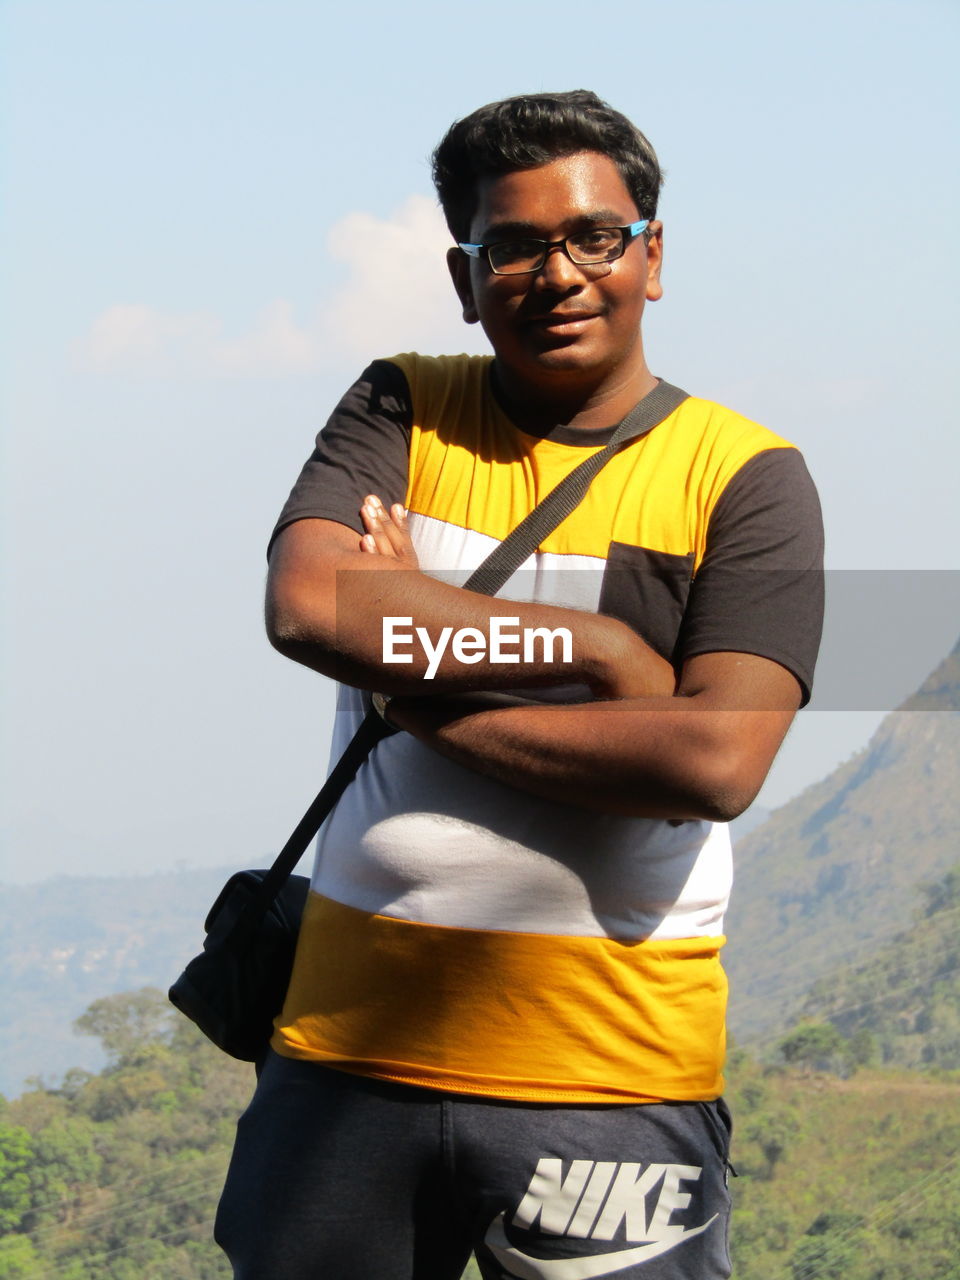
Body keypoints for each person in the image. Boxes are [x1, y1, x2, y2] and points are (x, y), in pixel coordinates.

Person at [215, 90, 824, 1279]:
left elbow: (713, 760)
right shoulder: (401, 401)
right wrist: (597, 655)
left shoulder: (746, 477)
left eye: (595, 236)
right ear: (464, 274)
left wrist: (414, 684)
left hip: (611, 1082)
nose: (558, 274)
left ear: (652, 256)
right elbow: (309, 605)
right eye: (515, 245)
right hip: (344, 1059)